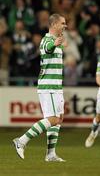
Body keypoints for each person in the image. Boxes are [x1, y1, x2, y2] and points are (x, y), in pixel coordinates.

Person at [13, 14, 67, 162]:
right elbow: (47, 49)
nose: (65, 26)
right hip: (48, 85)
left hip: (56, 86)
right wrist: (55, 44)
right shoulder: (46, 40)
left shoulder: (56, 41)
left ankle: (50, 154)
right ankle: (21, 141)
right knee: (53, 118)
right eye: (62, 23)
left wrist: (58, 44)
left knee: (59, 119)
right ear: (54, 24)